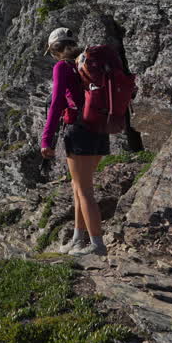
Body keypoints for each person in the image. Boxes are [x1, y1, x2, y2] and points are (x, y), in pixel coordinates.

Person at [40, 27, 108, 256]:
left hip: (79, 131)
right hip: (100, 129)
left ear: (54, 50)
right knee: (77, 186)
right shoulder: (87, 63)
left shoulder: (63, 66)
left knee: (84, 189)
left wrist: (46, 139)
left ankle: (97, 245)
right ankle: (78, 239)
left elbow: (57, 102)